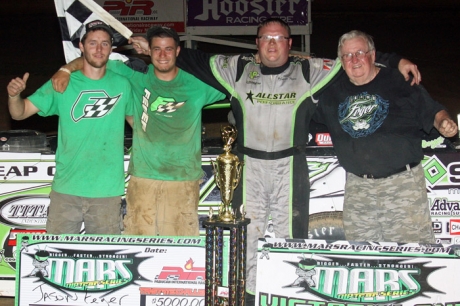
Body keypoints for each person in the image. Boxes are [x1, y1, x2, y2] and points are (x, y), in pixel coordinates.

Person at [53, 19, 420, 305]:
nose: (272, 45)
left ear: (289, 45)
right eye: (265, 39)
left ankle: (290, 294)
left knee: (293, 236)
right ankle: (246, 297)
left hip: (290, 166)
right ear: (256, 43)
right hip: (249, 166)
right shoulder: (237, 68)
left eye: (278, 39)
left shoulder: (310, 69)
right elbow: (170, 58)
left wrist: (395, 58)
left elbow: (354, 58)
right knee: (246, 237)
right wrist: (73, 67)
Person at [52, 26, 226, 236]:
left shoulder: (198, 84)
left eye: (168, 49)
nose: (163, 55)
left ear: (178, 52)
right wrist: (66, 69)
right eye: (157, 49)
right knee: (138, 242)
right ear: (149, 51)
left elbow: (229, 74)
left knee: (180, 247)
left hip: (182, 179)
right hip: (143, 177)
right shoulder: (137, 76)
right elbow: (96, 59)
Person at [313, 30, 457, 243]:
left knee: (413, 256)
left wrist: (444, 122)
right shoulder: (330, 93)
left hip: (402, 187)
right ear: (341, 62)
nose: (354, 60)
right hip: (358, 189)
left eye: (360, 53)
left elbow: (432, 111)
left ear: (372, 55)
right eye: (347, 56)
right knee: (361, 259)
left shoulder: (399, 83)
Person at [7, 20, 134, 235]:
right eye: (92, 43)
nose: (99, 49)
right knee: (56, 257)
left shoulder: (123, 84)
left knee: (104, 259)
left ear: (111, 48)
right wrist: (14, 95)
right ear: (81, 47)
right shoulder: (62, 83)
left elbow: (139, 125)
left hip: (106, 191)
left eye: (105, 43)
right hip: (66, 190)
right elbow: (19, 113)